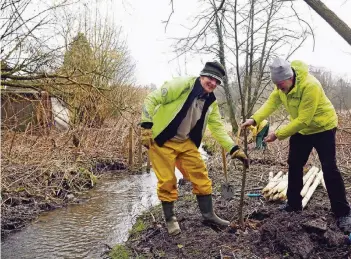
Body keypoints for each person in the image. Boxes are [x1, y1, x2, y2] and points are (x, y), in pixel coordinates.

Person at [241, 58, 351, 233]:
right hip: (302, 131)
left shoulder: (310, 86)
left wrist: (278, 134)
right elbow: (270, 103)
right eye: (276, 84)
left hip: (323, 127)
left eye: (280, 84)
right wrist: (255, 119)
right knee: (294, 164)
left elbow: (303, 120)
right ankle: (293, 204)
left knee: (329, 168)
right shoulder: (281, 87)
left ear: (290, 77)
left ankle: (343, 213)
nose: (278, 88)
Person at [140, 61, 249, 235]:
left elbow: (218, 128)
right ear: (202, 75)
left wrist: (234, 148)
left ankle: (209, 215)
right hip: (162, 140)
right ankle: (170, 219)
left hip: (186, 142)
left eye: (217, 81)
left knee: (201, 175)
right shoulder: (181, 85)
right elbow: (152, 98)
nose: (212, 83)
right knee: (167, 181)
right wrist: (146, 126)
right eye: (210, 78)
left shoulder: (211, 103)